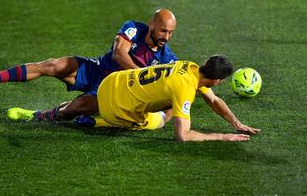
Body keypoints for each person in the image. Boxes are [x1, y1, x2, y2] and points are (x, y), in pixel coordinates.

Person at [0, 9, 178, 121]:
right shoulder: (133, 28)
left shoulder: (167, 59)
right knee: (52, 65)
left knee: (76, 107)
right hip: (97, 68)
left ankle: (36, 116)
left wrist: (163, 119)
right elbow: (118, 54)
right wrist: (142, 74)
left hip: (111, 91)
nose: (166, 37)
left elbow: (177, 90)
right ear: (152, 24)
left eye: (170, 33)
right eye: (162, 31)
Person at [75, 55, 260, 142]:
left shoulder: (190, 66)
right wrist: (221, 136)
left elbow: (213, 100)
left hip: (111, 82)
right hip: (114, 110)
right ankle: (95, 122)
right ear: (217, 81)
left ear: (205, 63)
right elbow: (182, 135)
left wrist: (236, 123)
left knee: (164, 103)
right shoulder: (185, 89)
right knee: (160, 121)